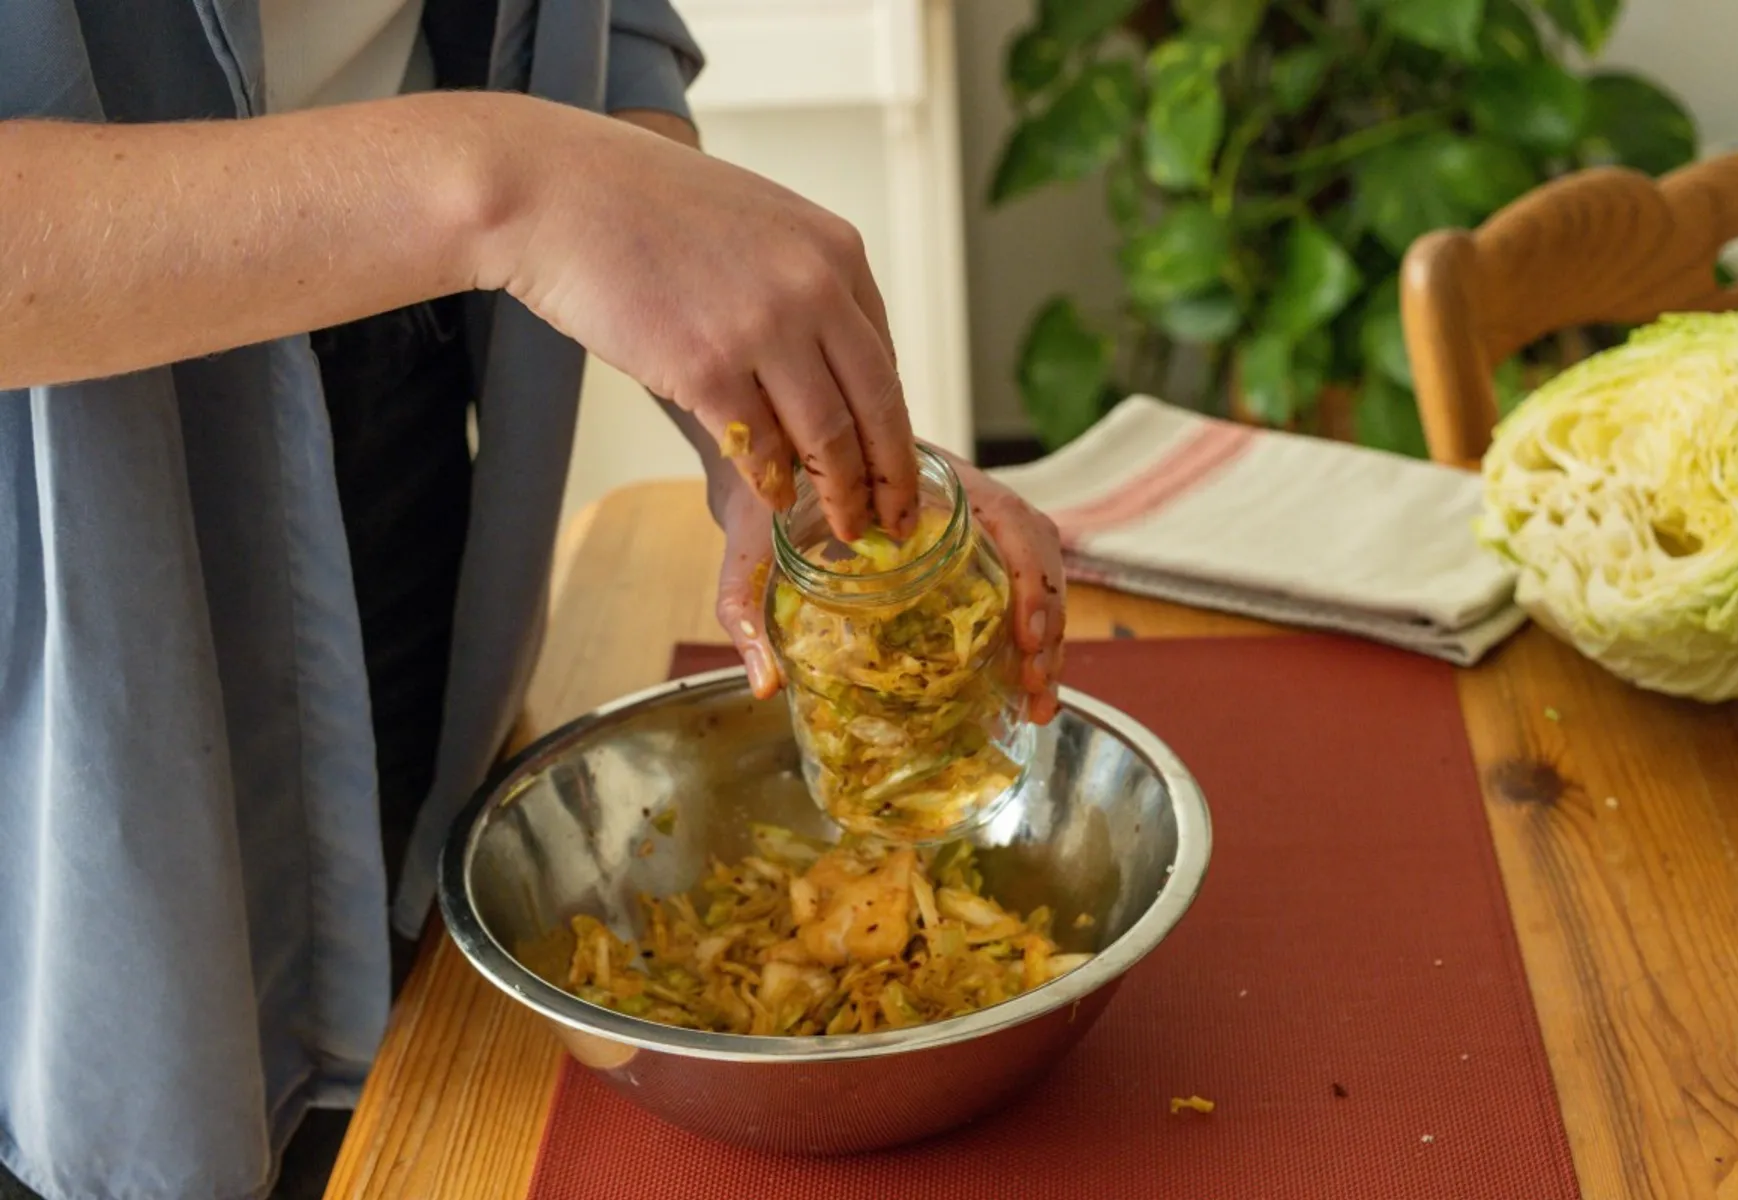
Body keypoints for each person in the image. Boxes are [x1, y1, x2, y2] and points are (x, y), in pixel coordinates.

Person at [0, 1, 1068, 1198]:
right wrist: (514, 187)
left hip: (399, 435)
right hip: (65, 585)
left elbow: (587, 35)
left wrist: (757, 427)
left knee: (394, 1100)